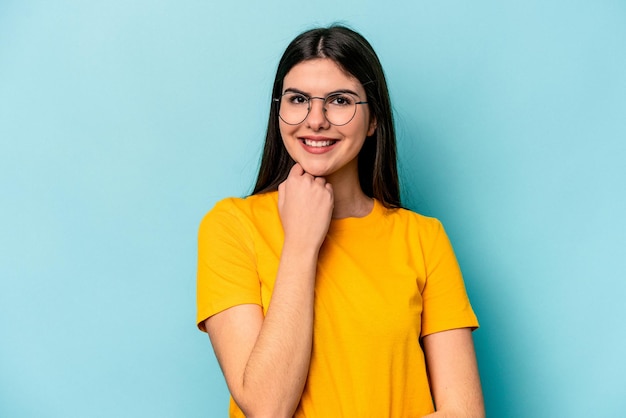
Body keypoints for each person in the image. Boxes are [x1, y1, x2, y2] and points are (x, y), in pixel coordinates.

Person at [196, 25, 485, 418]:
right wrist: (301, 243)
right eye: (298, 99)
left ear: (373, 121)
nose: (315, 120)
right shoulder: (231, 226)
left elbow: (464, 413)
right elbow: (267, 407)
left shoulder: (422, 238)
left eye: (339, 101)